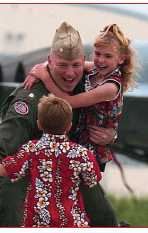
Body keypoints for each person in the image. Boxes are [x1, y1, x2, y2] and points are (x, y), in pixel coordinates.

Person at [0, 22, 118, 227]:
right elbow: (4, 144)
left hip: (68, 165)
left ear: (85, 61)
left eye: (76, 65)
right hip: (24, 168)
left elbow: (112, 112)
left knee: (104, 216)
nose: (69, 74)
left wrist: (111, 135)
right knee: (9, 210)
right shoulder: (29, 100)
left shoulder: (91, 83)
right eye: (62, 66)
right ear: (49, 61)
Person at [24, 23, 138, 190]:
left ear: (121, 59)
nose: (100, 60)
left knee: (77, 194)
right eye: (97, 54)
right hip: (78, 142)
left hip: (92, 151)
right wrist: (39, 71)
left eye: (108, 56)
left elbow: (69, 102)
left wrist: (45, 77)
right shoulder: (95, 69)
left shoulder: (111, 86)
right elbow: (65, 65)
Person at [0, 95, 102, 227]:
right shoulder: (82, 154)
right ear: (69, 126)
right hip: (72, 222)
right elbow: (93, 179)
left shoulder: (31, 149)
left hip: (37, 222)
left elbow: (8, 168)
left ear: (39, 125)